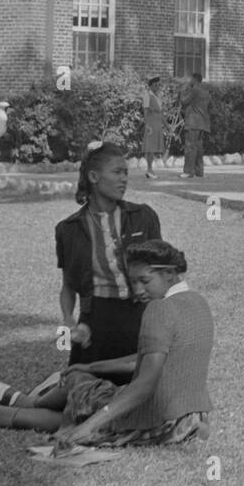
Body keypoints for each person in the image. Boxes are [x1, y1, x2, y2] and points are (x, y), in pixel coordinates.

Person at [0, 240, 213, 450]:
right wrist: (92, 365)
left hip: (155, 421)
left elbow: (144, 386)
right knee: (84, 380)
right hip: (188, 421)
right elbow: (146, 361)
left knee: (79, 385)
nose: (137, 290)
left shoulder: (159, 309)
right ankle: (14, 407)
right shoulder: (197, 302)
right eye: (134, 282)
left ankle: (13, 408)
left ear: (169, 273)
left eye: (144, 280)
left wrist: (87, 428)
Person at [54, 143, 162, 373]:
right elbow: (68, 285)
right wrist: (68, 320)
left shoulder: (143, 217)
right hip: (96, 322)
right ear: (94, 176)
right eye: (117, 172)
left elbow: (162, 272)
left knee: (140, 389)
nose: (124, 179)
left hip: (140, 316)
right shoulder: (69, 229)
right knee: (84, 388)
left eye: (126, 172)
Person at [180, 72, 211, 179]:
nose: (190, 81)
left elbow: (184, 101)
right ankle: (199, 171)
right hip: (202, 124)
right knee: (198, 148)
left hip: (192, 123)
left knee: (190, 147)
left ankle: (188, 172)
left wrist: (183, 91)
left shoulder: (195, 90)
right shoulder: (205, 92)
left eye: (191, 79)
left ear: (194, 79)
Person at [140, 76, 166, 178]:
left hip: (157, 124)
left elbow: (160, 113)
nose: (157, 87)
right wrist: (147, 125)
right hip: (151, 124)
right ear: (150, 86)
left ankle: (150, 170)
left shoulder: (157, 97)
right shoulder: (147, 95)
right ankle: (149, 170)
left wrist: (167, 126)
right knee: (150, 147)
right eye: (155, 85)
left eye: (158, 85)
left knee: (154, 147)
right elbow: (145, 111)